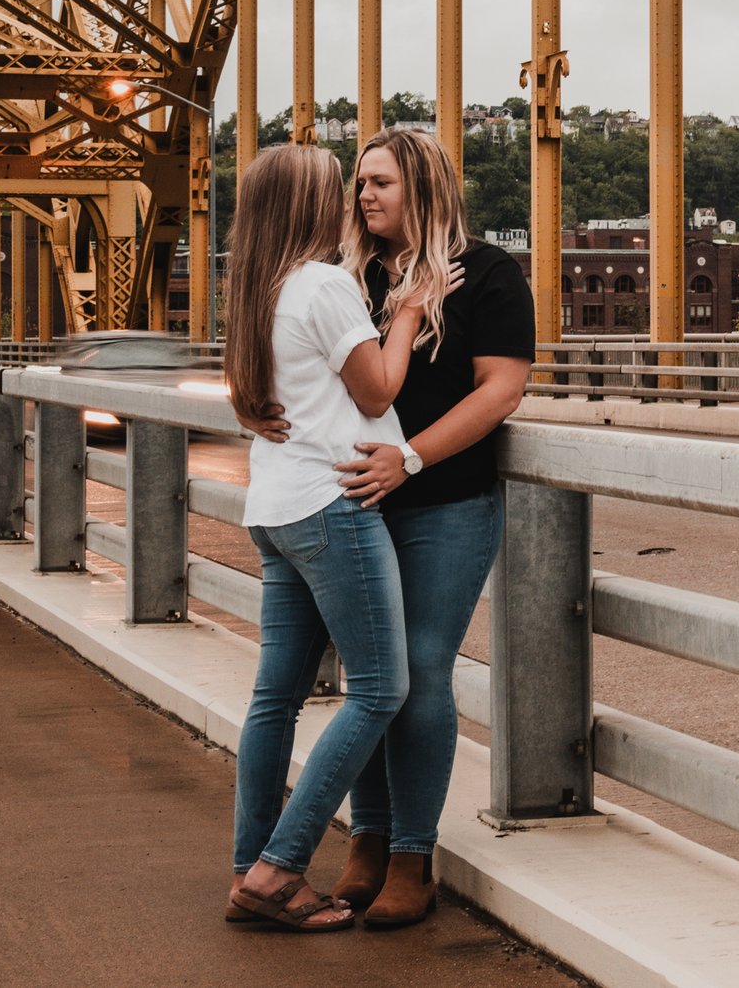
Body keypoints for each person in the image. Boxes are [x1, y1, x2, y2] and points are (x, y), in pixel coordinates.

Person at [223, 145, 447, 933]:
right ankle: (281, 870)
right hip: (333, 505)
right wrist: (412, 310)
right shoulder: (324, 284)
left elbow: (257, 394)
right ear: (311, 205)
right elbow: (379, 387)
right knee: (382, 689)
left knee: (275, 698)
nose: (352, 198)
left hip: (276, 507)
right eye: (337, 187)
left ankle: (247, 867)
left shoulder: (259, 286)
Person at [326, 128, 533, 928]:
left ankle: (413, 853)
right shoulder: (348, 278)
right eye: (359, 183)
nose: (364, 195)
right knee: (371, 676)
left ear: (424, 186)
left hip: (447, 504)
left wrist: (408, 459)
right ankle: (366, 840)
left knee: (418, 670)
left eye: (380, 182)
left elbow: (500, 391)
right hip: (356, 504)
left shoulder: (486, 273)